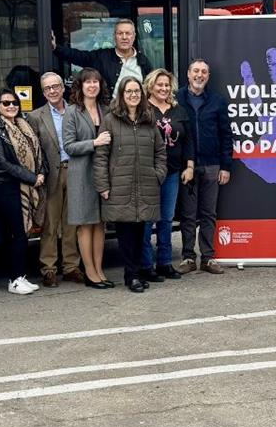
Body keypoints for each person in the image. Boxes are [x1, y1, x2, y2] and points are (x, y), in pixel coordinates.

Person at [93, 77, 166, 292]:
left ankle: (133, 274)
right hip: (119, 186)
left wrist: (158, 175)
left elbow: (160, 152)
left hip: (145, 185)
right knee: (125, 235)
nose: (133, 95)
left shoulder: (149, 119)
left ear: (142, 95)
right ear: (122, 95)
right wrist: (103, 185)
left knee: (140, 232)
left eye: (136, 91)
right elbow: (101, 156)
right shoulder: (110, 120)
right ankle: (132, 275)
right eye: (128, 92)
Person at [176, 59, 231, 275]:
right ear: (188, 74)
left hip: (212, 165)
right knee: (188, 215)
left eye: (204, 72)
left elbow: (226, 135)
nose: (200, 75)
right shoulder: (176, 98)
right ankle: (188, 257)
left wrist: (225, 166)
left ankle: (208, 258)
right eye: (196, 71)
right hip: (186, 166)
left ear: (208, 76)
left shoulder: (217, 101)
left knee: (208, 213)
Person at [27, 72, 82, 288]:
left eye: (56, 86)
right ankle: (48, 268)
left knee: (72, 222)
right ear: (43, 92)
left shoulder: (76, 111)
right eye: (48, 88)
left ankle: (70, 267)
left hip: (75, 171)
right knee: (50, 223)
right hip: (51, 175)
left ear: (62, 87)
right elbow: (34, 150)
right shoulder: (35, 116)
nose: (52, 91)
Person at [0, 88, 46, 295]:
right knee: (17, 235)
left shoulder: (23, 125)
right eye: (6, 103)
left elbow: (36, 153)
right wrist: (32, 177)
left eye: (14, 102)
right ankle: (14, 279)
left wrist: (40, 173)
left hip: (26, 186)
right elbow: (1, 163)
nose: (11, 106)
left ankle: (21, 276)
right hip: (8, 187)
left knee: (23, 235)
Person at [63, 68, 114, 289]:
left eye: (96, 82)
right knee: (85, 225)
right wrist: (94, 142)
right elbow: (68, 146)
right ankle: (90, 273)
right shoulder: (72, 112)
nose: (92, 85)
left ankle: (100, 269)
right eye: (88, 82)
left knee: (100, 224)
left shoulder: (106, 109)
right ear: (80, 86)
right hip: (81, 174)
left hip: (103, 172)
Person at [142, 68, 194, 282]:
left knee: (166, 219)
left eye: (166, 85)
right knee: (147, 220)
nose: (163, 88)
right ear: (150, 86)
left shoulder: (179, 110)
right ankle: (146, 265)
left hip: (173, 173)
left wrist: (189, 166)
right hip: (149, 172)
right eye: (159, 84)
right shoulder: (143, 110)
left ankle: (164, 263)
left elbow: (189, 140)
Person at [51, 18, 152, 91]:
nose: (124, 37)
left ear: (134, 36)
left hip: (136, 116)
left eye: (128, 33)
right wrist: (56, 47)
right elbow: (78, 56)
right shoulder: (102, 57)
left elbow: (151, 87)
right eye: (120, 33)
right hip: (109, 115)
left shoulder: (143, 61)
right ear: (114, 36)